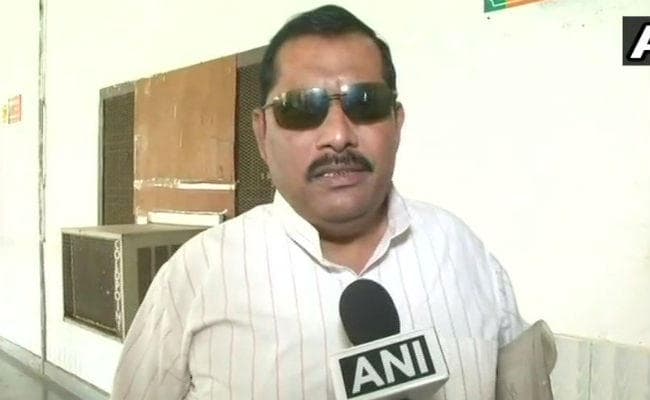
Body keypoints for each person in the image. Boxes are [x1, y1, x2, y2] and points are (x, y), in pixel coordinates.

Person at [111, 5, 526, 400]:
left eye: (366, 103)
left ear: (396, 123)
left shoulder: (465, 254)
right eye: (301, 108)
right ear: (262, 132)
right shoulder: (197, 274)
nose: (339, 136)